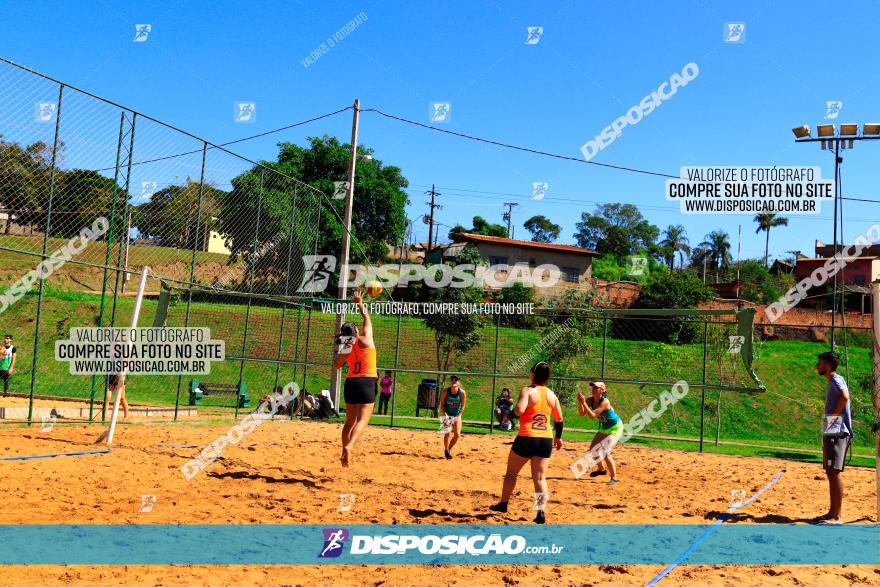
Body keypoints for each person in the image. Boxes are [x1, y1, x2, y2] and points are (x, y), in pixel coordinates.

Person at [489, 362, 563, 524]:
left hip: (527, 436)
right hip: (545, 439)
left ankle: (503, 504)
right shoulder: (552, 394)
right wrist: (558, 437)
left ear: (533, 374)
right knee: (540, 478)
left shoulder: (528, 390)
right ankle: (540, 513)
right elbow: (559, 419)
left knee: (511, 473)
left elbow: (519, 410)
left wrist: (509, 415)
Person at [331, 290, 377, 467]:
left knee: (349, 422)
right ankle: (350, 446)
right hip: (367, 382)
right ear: (356, 331)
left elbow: (336, 365)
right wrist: (360, 304)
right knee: (362, 421)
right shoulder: (365, 340)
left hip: (351, 383)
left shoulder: (345, 348)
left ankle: (344, 452)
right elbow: (367, 320)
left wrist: (341, 356)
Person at [815, 351, 853, 524]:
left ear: (828, 365)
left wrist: (833, 420)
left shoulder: (836, 379)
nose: (817, 366)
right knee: (830, 472)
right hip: (834, 426)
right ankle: (832, 513)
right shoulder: (835, 380)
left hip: (837, 427)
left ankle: (836, 516)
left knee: (834, 472)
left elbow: (845, 397)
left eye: (820, 363)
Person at [577, 381, 622, 484]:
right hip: (605, 427)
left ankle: (614, 478)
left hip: (615, 427)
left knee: (606, 452)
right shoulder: (590, 400)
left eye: (596, 388)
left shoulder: (605, 402)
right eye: (593, 387)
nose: (593, 389)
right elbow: (581, 413)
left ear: (602, 390)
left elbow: (592, 416)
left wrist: (583, 403)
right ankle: (601, 469)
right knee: (593, 448)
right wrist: (581, 403)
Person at [440, 375, 466, 459]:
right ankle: (446, 450)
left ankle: (448, 450)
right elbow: (442, 405)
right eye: (452, 380)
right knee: (447, 433)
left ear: (458, 382)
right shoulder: (445, 392)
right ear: (450, 382)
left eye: (456, 380)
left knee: (457, 434)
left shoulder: (462, 392)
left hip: (457, 415)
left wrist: (458, 417)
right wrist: (446, 416)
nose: (454, 381)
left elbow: (463, 407)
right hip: (447, 414)